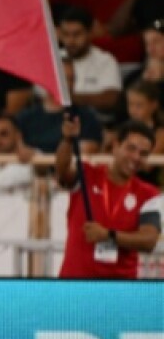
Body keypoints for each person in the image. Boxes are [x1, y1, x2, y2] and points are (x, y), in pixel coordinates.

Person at [56, 117, 161, 279]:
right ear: (115, 146)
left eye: (143, 153)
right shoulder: (86, 175)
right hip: (74, 284)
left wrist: (108, 235)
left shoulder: (149, 194)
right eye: (131, 148)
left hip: (120, 289)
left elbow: (149, 240)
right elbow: (62, 170)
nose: (136, 157)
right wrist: (68, 140)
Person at [56, 5, 122, 115]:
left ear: (90, 33)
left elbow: (110, 98)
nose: (70, 41)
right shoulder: (54, 59)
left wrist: (67, 97)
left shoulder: (105, 61)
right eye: (66, 34)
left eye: (77, 34)